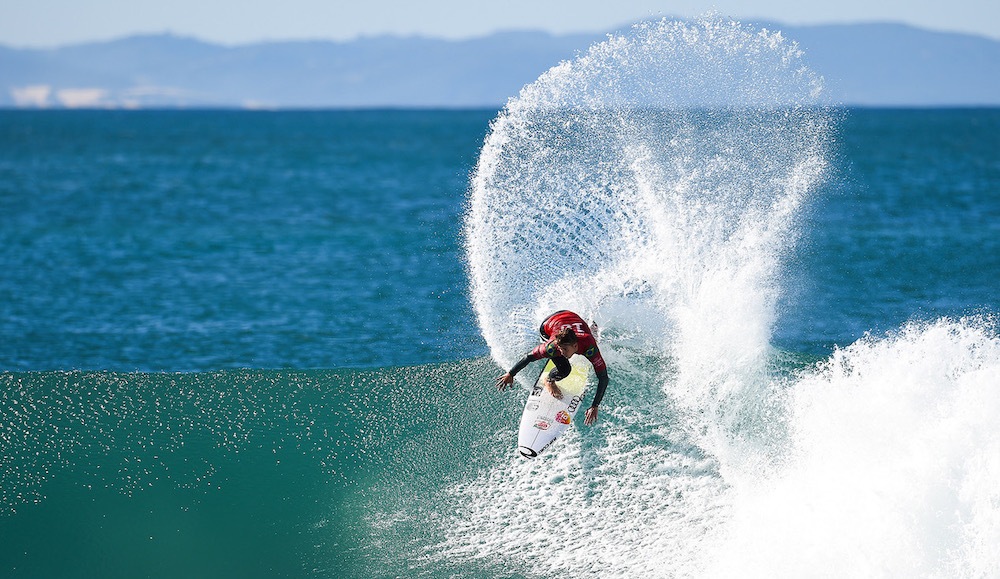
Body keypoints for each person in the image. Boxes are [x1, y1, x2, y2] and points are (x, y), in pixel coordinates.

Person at [495, 310, 610, 425]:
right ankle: (549, 380)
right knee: (565, 370)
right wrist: (511, 374)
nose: (562, 352)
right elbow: (529, 357)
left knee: (594, 335)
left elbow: (603, 378)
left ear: (575, 346)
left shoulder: (589, 346)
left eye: (565, 349)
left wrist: (595, 405)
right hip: (548, 325)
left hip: (571, 317)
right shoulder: (552, 348)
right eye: (560, 349)